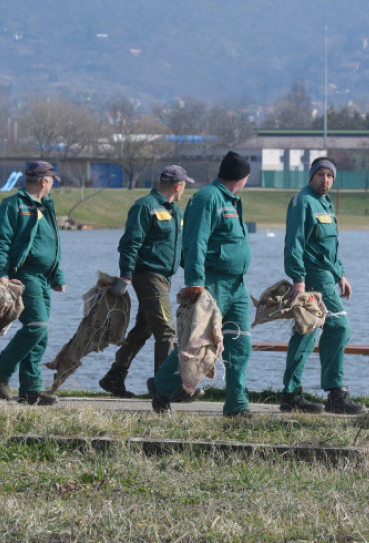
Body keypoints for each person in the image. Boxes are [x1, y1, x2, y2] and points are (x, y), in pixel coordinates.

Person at [147, 150, 254, 418]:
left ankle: (236, 405)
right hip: (212, 282)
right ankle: (161, 388)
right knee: (197, 344)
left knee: (240, 344)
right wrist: (195, 281)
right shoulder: (208, 198)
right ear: (243, 176)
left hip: (237, 286)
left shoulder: (233, 200)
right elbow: (196, 242)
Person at [99, 164, 194, 398]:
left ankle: (115, 376)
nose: (184, 191)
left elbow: (180, 251)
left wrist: (196, 274)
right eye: (184, 186)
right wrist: (125, 276)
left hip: (164, 278)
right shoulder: (145, 206)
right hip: (148, 276)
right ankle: (169, 386)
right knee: (166, 329)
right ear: (178, 186)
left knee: (145, 328)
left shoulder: (176, 212)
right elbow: (130, 243)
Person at [280, 156, 365, 415]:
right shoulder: (303, 201)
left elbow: (329, 247)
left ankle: (291, 396)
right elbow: (293, 244)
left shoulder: (325, 203)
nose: (325, 180)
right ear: (312, 175)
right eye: (321, 175)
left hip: (327, 275)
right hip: (312, 277)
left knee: (306, 333)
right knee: (339, 327)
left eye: (330, 176)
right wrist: (298, 279)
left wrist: (341, 275)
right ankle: (335, 394)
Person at [0, 160, 66, 406]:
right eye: (52, 181)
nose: (52, 186)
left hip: (43, 278)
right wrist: (1, 271)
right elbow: (2, 241)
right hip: (24, 276)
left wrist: (57, 275)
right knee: (37, 326)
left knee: (40, 334)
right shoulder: (14, 205)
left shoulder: (46, 206)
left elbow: (52, 244)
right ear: (44, 181)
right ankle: (0, 370)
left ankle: (30, 391)